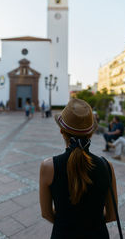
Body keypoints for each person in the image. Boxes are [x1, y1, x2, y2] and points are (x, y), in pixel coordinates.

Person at [40, 99, 117, 239]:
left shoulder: (48, 167)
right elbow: (112, 215)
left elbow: (46, 213)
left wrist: (67, 224)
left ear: (62, 131)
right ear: (91, 133)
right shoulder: (107, 167)